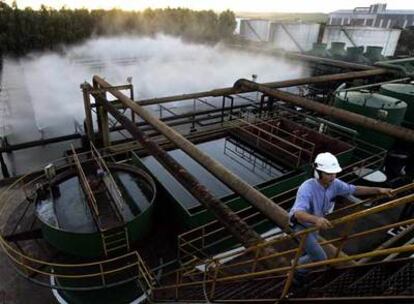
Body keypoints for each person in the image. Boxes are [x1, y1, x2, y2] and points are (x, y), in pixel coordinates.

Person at [289, 152, 392, 286]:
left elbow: (354, 189)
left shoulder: (335, 184)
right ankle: (296, 269)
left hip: (315, 224)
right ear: (318, 172)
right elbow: (298, 213)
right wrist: (317, 220)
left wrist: (378, 190)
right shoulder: (307, 188)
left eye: (334, 173)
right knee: (320, 257)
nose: (333, 177)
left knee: (308, 249)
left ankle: (300, 267)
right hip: (301, 225)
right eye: (329, 174)